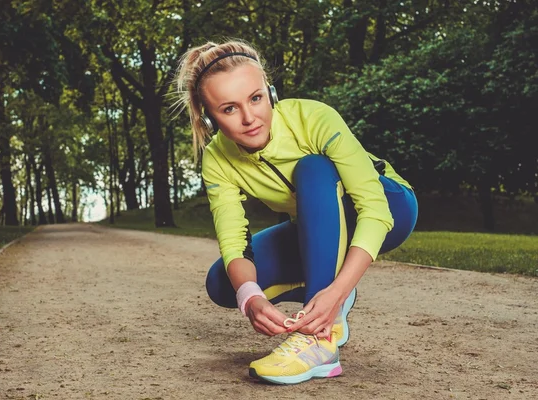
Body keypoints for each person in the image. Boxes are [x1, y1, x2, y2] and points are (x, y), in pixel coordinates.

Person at [174, 39, 418, 385]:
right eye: (229, 109)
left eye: (256, 99)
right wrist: (252, 299)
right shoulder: (217, 159)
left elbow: (375, 209)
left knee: (314, 168)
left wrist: (335, 292)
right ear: (209, 118)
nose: (249, 118)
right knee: (225, 284)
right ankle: (325, 297)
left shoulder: (313, 117)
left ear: (270, 93)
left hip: (390, 205)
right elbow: (234, 244)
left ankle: (320, 339)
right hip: (320, 227)